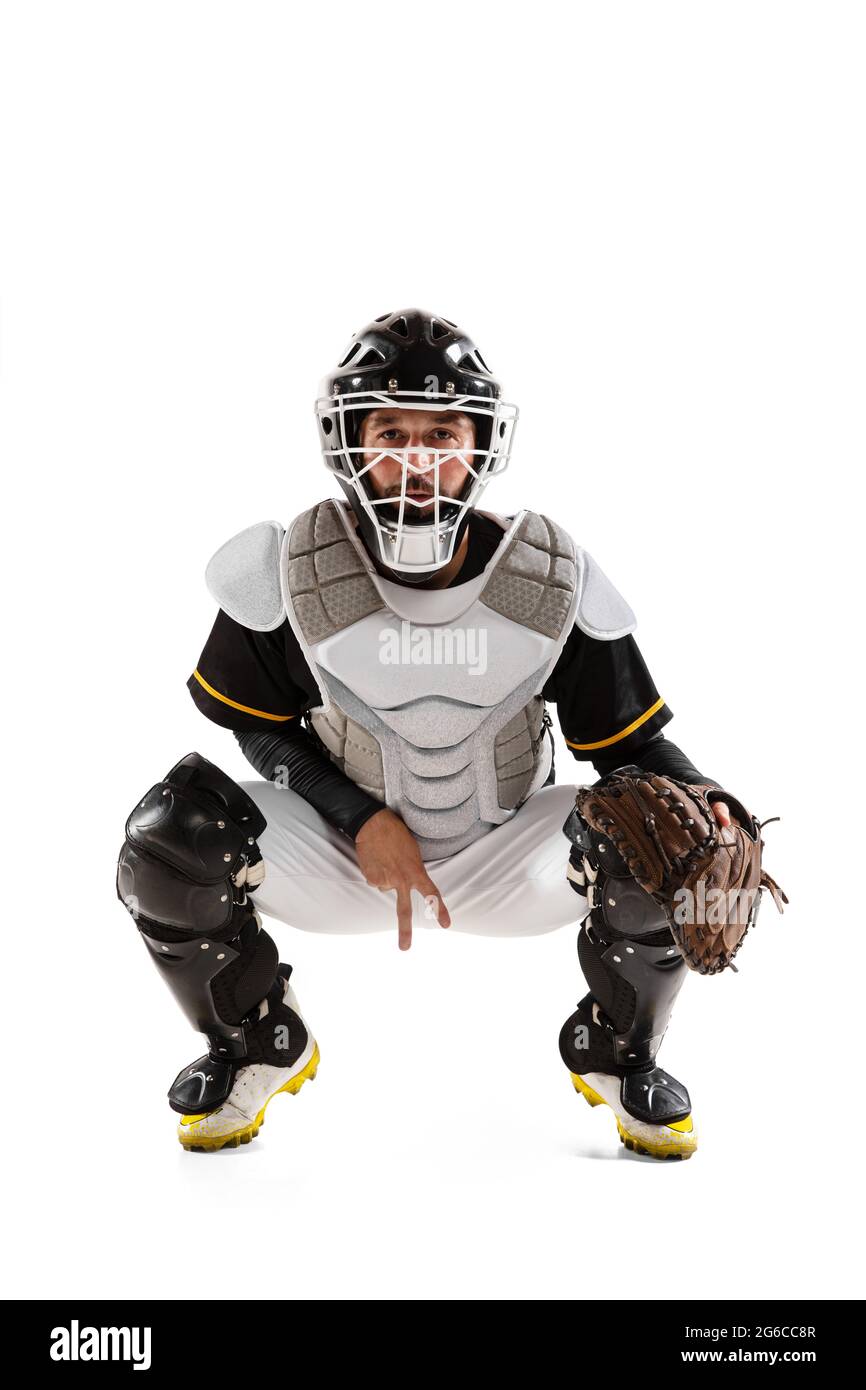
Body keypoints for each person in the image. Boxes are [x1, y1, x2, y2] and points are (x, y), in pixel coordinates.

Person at [117, 309, 741, 1159]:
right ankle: (252, 1040)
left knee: (660, 830)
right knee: (170, 839)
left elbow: (629, 750)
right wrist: (357, 816)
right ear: (349, 442)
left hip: (508, 856)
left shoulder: (548, 577)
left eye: (442, 432)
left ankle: (621, 1053)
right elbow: (257, 729)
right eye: (391, 431)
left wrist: (714, 806)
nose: (417, 459)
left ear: (481, 441)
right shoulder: (293, 569)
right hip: (347, 857)